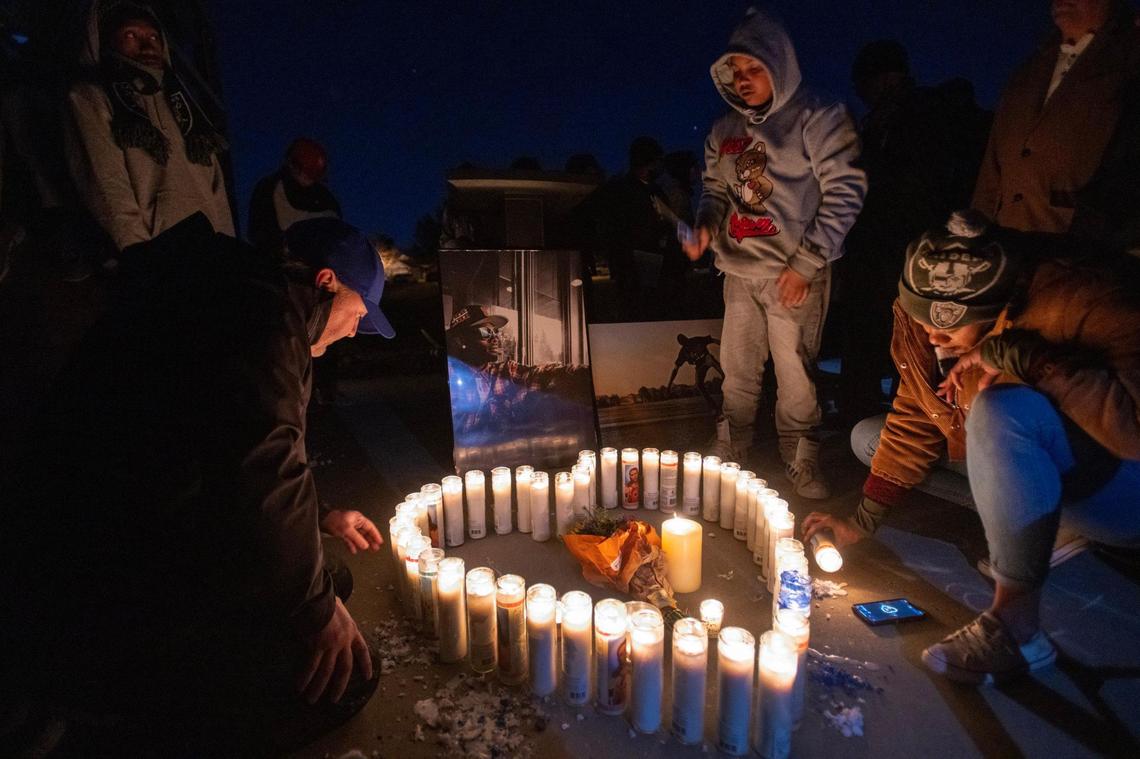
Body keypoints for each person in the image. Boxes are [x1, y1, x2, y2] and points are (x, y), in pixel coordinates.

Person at [3, 214, 394, 752]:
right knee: (349, 674)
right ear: (327, 281)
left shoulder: (242, 294)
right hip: (112, 567)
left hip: (144, 520)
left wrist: (321, 517)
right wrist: (317, 613)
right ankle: (123, 711)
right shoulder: (265, 317)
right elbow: (265, 468)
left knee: (328, 579)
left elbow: (235, 449)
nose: (355, 330)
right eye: (358, 314)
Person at [804, 210, 1140, 685]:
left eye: (946, 331)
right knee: (870, 437)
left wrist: (1020, 357)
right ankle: (1034, 520)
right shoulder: (926, 314)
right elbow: (918, 408)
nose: (932, 337)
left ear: (996, 309)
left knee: (1000, 409)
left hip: (1121, 483)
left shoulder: (1085, 297)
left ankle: (1016, 628)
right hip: (1032, 456)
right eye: (923, 322)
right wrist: (863, 522)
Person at [682, 7, 866, 498]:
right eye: (735, 72)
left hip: (794, 273)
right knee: (738, 368)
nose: (743, 81)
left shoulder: (819, 115)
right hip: (739, 272)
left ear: (780, 65)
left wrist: (807, 262)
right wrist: (704, 226)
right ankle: (732, 441)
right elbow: (715, 191)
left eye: (754, 69)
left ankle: (801, 454)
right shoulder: (724, 129)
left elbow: (846, 189)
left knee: (797, 374)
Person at [837, 40, 990, 424]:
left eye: (866, 84)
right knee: (873, 332)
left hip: (907, 244)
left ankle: (918, 415)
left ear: (887, 78)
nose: (862, 94)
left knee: (915, 334)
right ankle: (869, 414)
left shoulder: (924, 116)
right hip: (880, 244)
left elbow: (921, 182)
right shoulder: (881, 121)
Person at [64, 1, 233, 256]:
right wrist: (140, 257)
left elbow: (216, 188)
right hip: (155, 255)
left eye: (154, 36)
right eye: (131, 35)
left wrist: (229, 251)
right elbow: (107, 185)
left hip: (207, 253)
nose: (147, 45)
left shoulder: (184, 105)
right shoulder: (92, 97)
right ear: (107, 38)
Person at [971, 0, 1140, 237]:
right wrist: (976, 227)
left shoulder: (1127, 62)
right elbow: (994, 161)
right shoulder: (1029, 71)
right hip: (1008, 241)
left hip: (1084, 249)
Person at [248, 137, 342, 259]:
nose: (311, 180)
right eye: (308, 174)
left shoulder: (323, 197)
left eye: (314, 176)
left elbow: (335, 222)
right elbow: (259, 233)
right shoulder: (270, 188)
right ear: (293, 166)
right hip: (276, 260)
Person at [667, 333, 724, 414]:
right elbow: (675, 369)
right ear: (682, 345)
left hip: (707, 358)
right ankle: (713, 406)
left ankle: (726, 378)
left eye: (687, 342)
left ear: (687, 338)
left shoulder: (696, 340)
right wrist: (669, 385)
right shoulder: (683, 353)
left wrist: (724, 346)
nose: (688, 345)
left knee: (712, 361)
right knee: (698, 384)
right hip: (700, 366)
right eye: (685, 344)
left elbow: (712, 340)